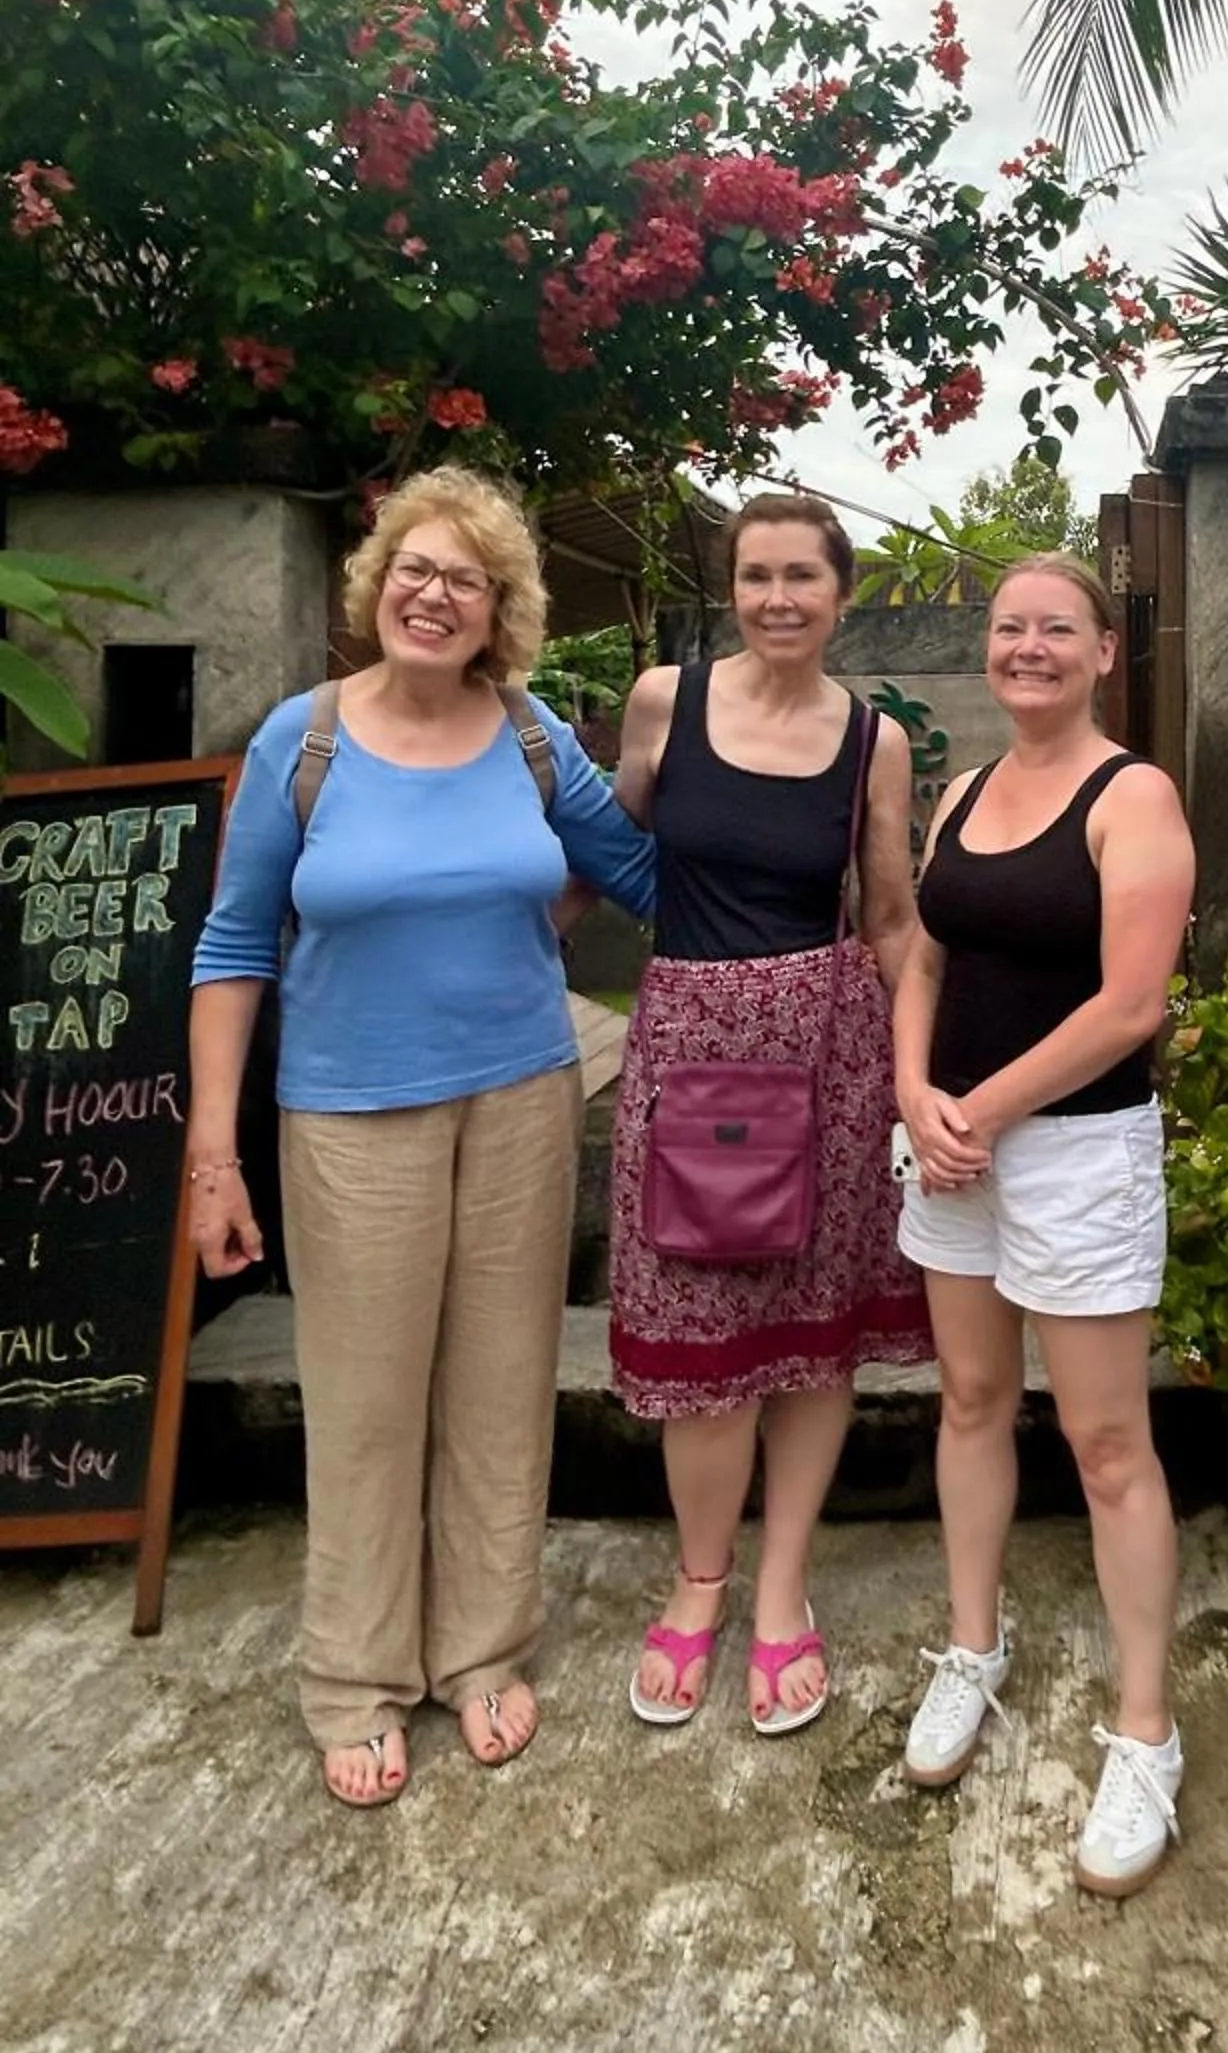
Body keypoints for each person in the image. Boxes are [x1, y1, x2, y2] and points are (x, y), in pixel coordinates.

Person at [185, 465, 656, 1809]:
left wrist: (791, 835)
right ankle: (353, 1677)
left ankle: (483, 1650)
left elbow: (635, 870)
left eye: (466, 578)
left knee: (501, 1389)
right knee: (368, 1401)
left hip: (518, 1097)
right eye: (414, 568)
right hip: (346, 1116)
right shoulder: (305, 739)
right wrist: (212, 1155)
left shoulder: (524, 735)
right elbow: (231, 945)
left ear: (499, 610)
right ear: (375, 583)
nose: (433, 594)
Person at [892, 554, 1196, 1898]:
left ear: (1099, 653)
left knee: (1106, 1441)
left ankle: (1147, 1731)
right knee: (967, 1398)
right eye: (1009, 628)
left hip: (1073, 1154)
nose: (1027, 647)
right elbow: (924, 955)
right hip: (953, 1146)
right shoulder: (960, 791)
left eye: (1053, 629)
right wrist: (916, 1091)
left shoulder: (1132, 795)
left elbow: (1132, 1005)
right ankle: (974, 1647)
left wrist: (983, 1107)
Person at [608, 494, 931, 1734]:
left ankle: (783, 1585)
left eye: (804, 575)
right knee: (703, 1340)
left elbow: (891, 916)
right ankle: (700, 1586)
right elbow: (610, 839)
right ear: (730, 589)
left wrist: (920, 1072)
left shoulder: (874, 743)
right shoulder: (662, 700)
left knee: (810, 1330)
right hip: (688, 1046)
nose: (779, 597)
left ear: (843, 593)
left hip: (828, 1052)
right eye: (756, 576)